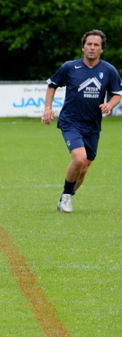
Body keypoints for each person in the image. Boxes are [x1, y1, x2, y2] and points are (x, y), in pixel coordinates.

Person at [41, 29, 122, 213]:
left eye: (96, 45)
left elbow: (117, 94)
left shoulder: (109, 70)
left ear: (102, 49)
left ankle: (65, 197)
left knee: (84, 168)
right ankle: (67, 197)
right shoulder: (70, 67)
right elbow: (52, 84)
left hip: (93, 124)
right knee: (79, 159)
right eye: (89, 44)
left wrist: (110, 105)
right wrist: (48, 108)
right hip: (71, 121)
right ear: (83, 47)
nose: (92, 47)